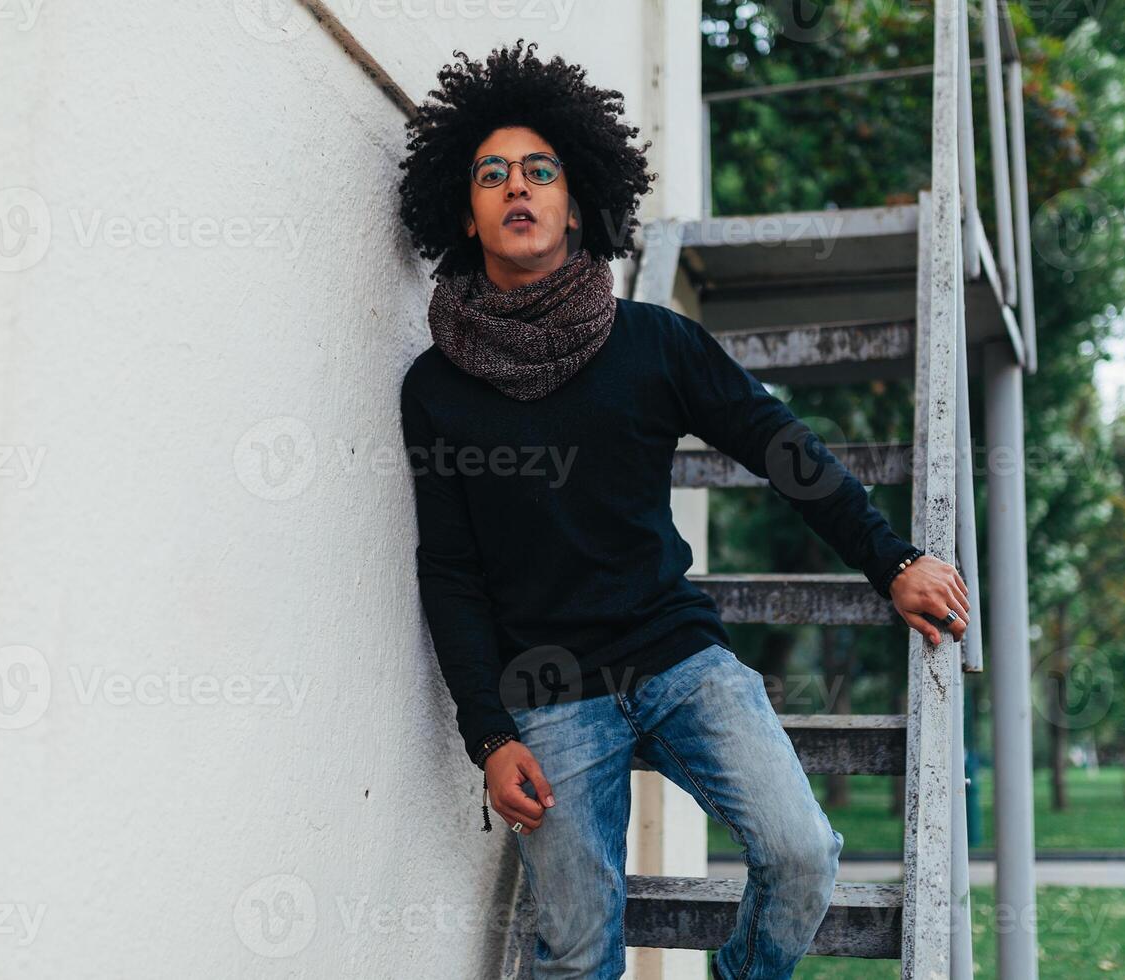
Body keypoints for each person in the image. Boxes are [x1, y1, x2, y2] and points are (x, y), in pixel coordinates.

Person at [396, 39, 970, 980]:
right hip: (545, 691)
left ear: (577, 203)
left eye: (539, 169)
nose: (517, 187)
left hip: (677, 657)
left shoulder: (654, 344)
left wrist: (892, 560)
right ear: (465, 211)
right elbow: (449, 572)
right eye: (491, 174)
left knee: (802, 855)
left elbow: (782, 450)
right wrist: (489, 737)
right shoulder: (437, 387)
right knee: (578, 951)